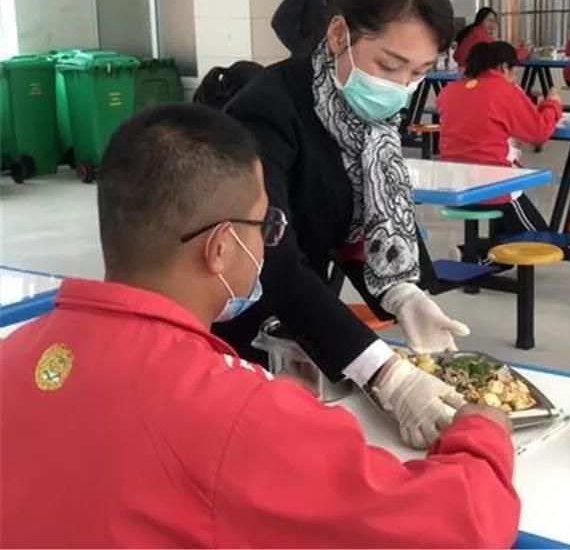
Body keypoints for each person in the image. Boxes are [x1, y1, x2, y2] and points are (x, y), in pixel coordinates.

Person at [0, 104, 521, 547]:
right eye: (266, 224)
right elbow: (461, 527)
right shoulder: (233, 412)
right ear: (220, 247)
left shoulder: (14, 354)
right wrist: (483, 434)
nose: (270, 242)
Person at [217, 0, 471, 450]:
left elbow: (360, 219)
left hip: (304, 324)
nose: (399, 89)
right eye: (389, 66)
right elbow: (272, 257)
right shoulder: (267, 110)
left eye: (418, 73)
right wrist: (383, 373)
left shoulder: (369, 124)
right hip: (242, 321)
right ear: (338, 35)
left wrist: (402, 291)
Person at [437, 41, 562, 236]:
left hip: (454, 185)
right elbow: (539, 133)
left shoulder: (449, 91)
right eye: (514, 71)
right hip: (493, 186)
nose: (515, 77)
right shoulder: (504, 90)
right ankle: (485, 255)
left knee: (509, 230)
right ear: (504, 67)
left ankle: (483, 251)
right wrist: (552, 105)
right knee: (540, 239)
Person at [452, 6, 528, 68]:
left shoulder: (470, 32)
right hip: (474, 75)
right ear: (480, 21)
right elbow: (508, 59)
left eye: (494, 21)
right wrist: (524, 51)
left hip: (462, 72)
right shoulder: (483, 37)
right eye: (489, 21)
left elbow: (456, 56)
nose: (492, 25)